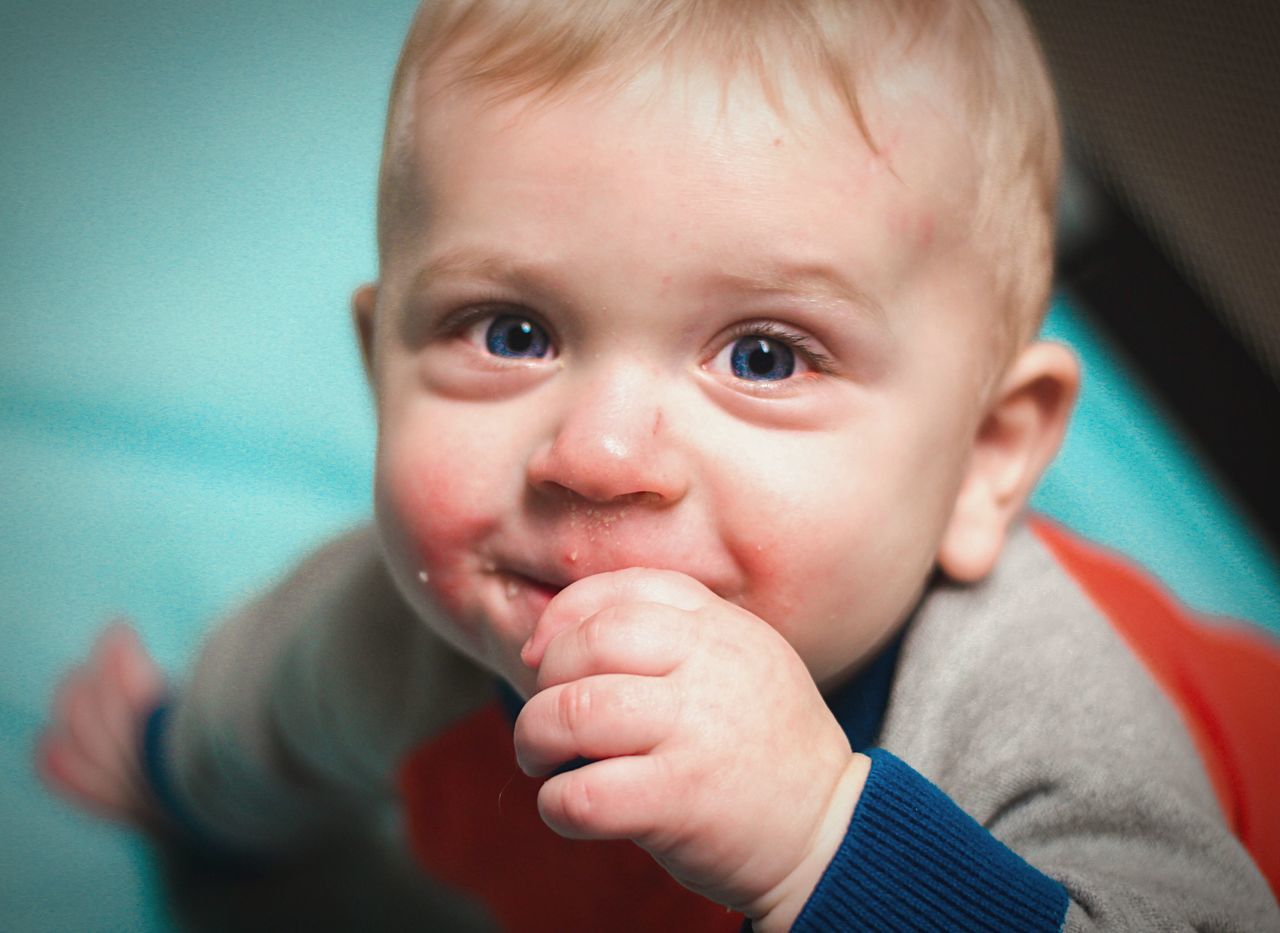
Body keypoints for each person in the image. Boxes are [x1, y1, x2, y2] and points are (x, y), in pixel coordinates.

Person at [36, 0, 1279, 929]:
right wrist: (166, 772)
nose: (598, 454)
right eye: (509, 333)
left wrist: (819, 845)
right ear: (381, 372)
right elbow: (266, 726)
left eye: (764, 355)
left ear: (982, 459)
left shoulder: (1038, 713)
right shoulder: (390, 629)